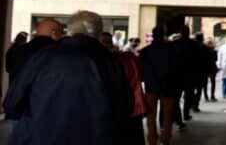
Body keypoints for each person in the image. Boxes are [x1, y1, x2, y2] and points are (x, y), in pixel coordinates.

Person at [3, 10, 133, 145]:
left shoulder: (45, 55)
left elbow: (14, 99)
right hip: (94, 136)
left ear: (70, 29)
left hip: (41, 135)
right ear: (98, 32)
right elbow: (125, 106)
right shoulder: (109, 61)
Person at [100, 32, 147, 145]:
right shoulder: (129, 58)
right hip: (133, 106)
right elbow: (141, 76)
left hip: (116, 109)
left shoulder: (102, 62)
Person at [140, 26, 181, 145]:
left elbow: (141, 69)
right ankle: (165, 138)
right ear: (164, 34)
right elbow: (177, 68)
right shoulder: (172, 50)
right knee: (168, 115)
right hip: (168, 87)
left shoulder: (146, 51)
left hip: (151, 87)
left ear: (153, 35)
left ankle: (152, 140)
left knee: (151, 116)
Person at [203, 38, 219, 102]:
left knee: (205, 83)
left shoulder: (204, 51)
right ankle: (212, 96)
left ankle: (206, 96)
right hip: (212, 68)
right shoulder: (214, 51)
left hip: (206, 68)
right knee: (213, 82)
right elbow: (216, 59)